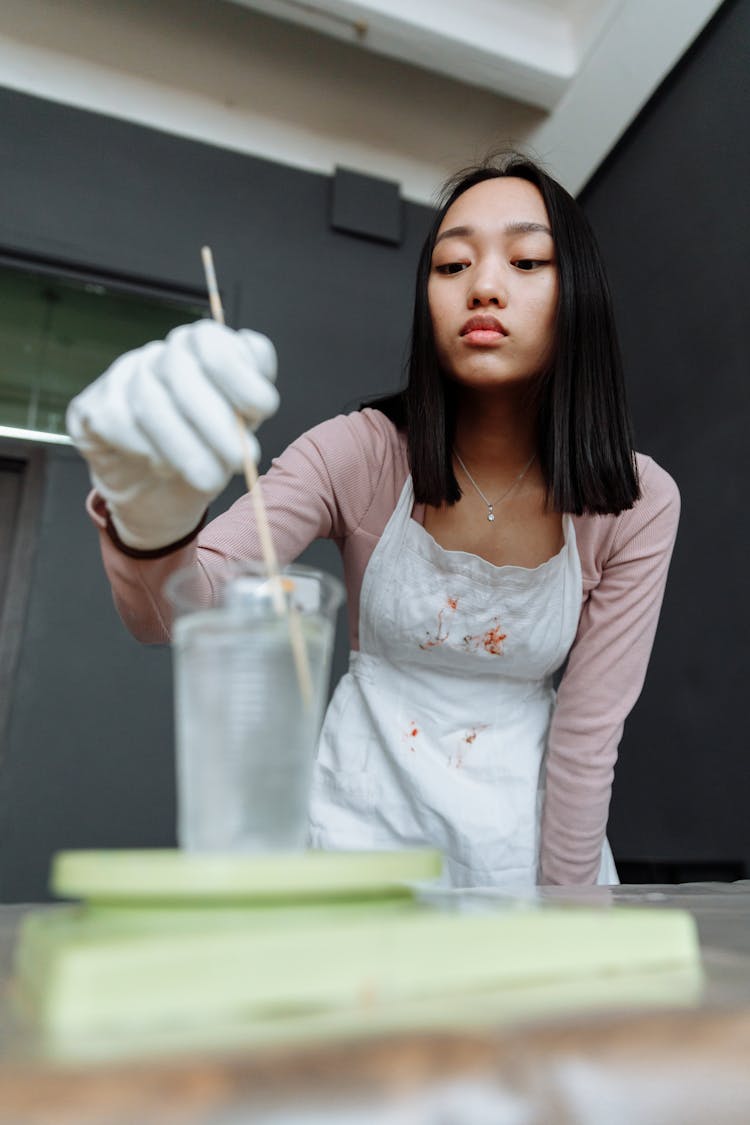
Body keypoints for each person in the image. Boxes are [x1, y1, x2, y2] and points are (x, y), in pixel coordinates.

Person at [66, 152, 679, 888]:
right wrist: (152, 519)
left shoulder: (636, 502)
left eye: (525, 260)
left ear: (578, 291)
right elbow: (176, 612)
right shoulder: (357, 453)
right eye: (452, 267)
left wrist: (567, 911)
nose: (483, 286)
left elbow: (589, 732)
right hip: (359, 840)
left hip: (530, 853)